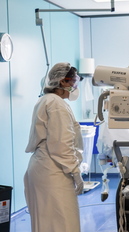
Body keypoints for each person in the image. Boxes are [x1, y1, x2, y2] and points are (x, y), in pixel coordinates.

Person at [24, 62, 84, 232]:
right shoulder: (57, 104)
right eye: (73, 82)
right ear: (62, 82)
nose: (74, 86)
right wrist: (75, 171)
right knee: (63, 224)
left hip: (43, 167)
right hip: (53, 171)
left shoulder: (46, 100)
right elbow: (61, 144)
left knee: (46, 223)